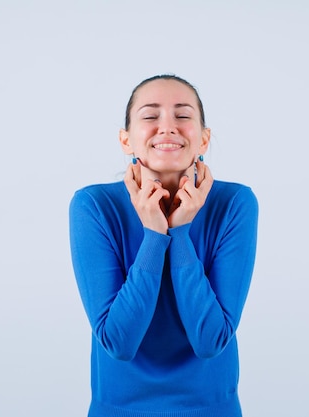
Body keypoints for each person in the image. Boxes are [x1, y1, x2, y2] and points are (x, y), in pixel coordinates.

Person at [69, 74, 258, 417]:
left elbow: (211, 340)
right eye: (150, 116)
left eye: (183, 116)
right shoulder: (93, 206)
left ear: (203, 139)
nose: (167, 127)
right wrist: (155, 237)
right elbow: (118, 343)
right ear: (126, 140)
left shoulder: (235, 203)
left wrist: (180, 232)